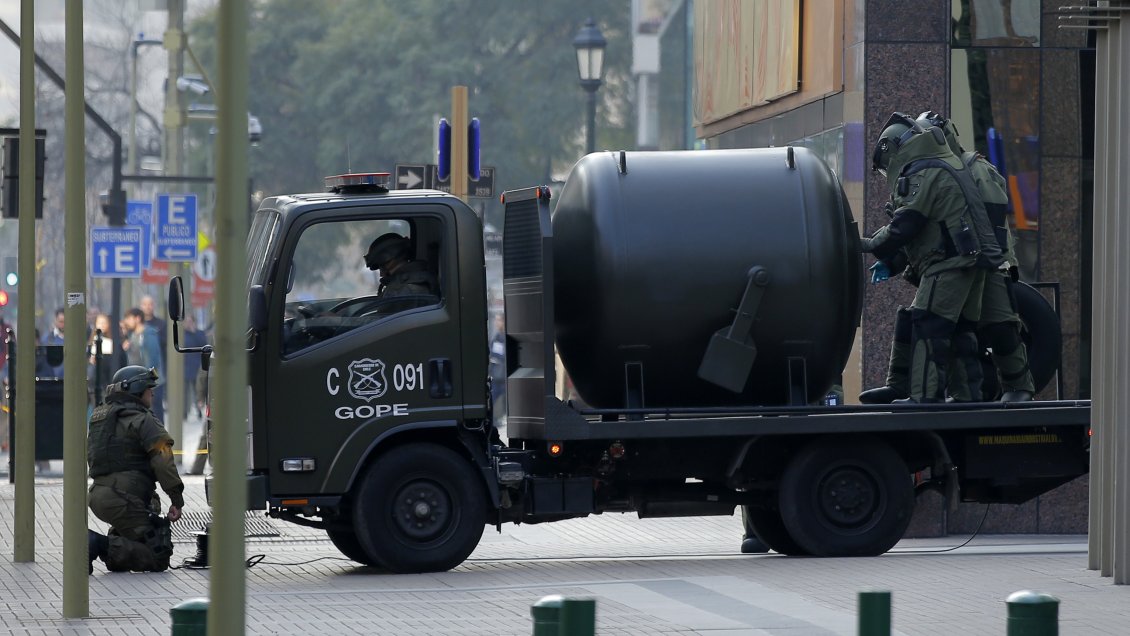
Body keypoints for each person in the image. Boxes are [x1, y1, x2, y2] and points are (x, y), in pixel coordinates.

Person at [860, 112, 1035, 404]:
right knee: (919, 321)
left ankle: (1017, 386)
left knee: (999, 326)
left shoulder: (974, 169)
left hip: (989, 263)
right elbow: (924, 229)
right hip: (955, 258)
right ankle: (902, 386)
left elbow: (987, 220)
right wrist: (891, 261)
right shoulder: (932, 171)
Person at [87, 365, 184, 573]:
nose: (153, 392)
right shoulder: (144, 420)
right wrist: (177, 499)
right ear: (137, 391)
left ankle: (111, 543)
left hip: (98, 495)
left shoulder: (100, 418)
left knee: (120, 561)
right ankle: (97, 543)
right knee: (158, 557)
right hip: (123, 500)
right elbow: (163, 460)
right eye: (150, 388)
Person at [364, 233, 439, 299]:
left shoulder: (401, 290)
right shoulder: (417, 277)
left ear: (389, 262)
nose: (381, 274)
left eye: (381, 267)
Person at [123, 307, 165, 421]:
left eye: (128, 318)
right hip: (140, 381)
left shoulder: (148, 333)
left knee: (154, 413)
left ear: (137, 318)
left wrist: (146, 378)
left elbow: (153, 358)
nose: (126, 321)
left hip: (150, 382)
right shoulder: (133, 335)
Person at [86, 313, 119, 407]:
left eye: (105, 322)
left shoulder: (112, 341)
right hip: (93, 379)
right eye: (100, 322)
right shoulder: (91, 341)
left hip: (106, 379)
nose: (102, 325)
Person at [41, 308, 65, 377]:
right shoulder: (47, 339)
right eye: (61, 321)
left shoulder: (73, 340)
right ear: (55, 320)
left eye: (65, 322)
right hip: (52, 380)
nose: (63, 325)